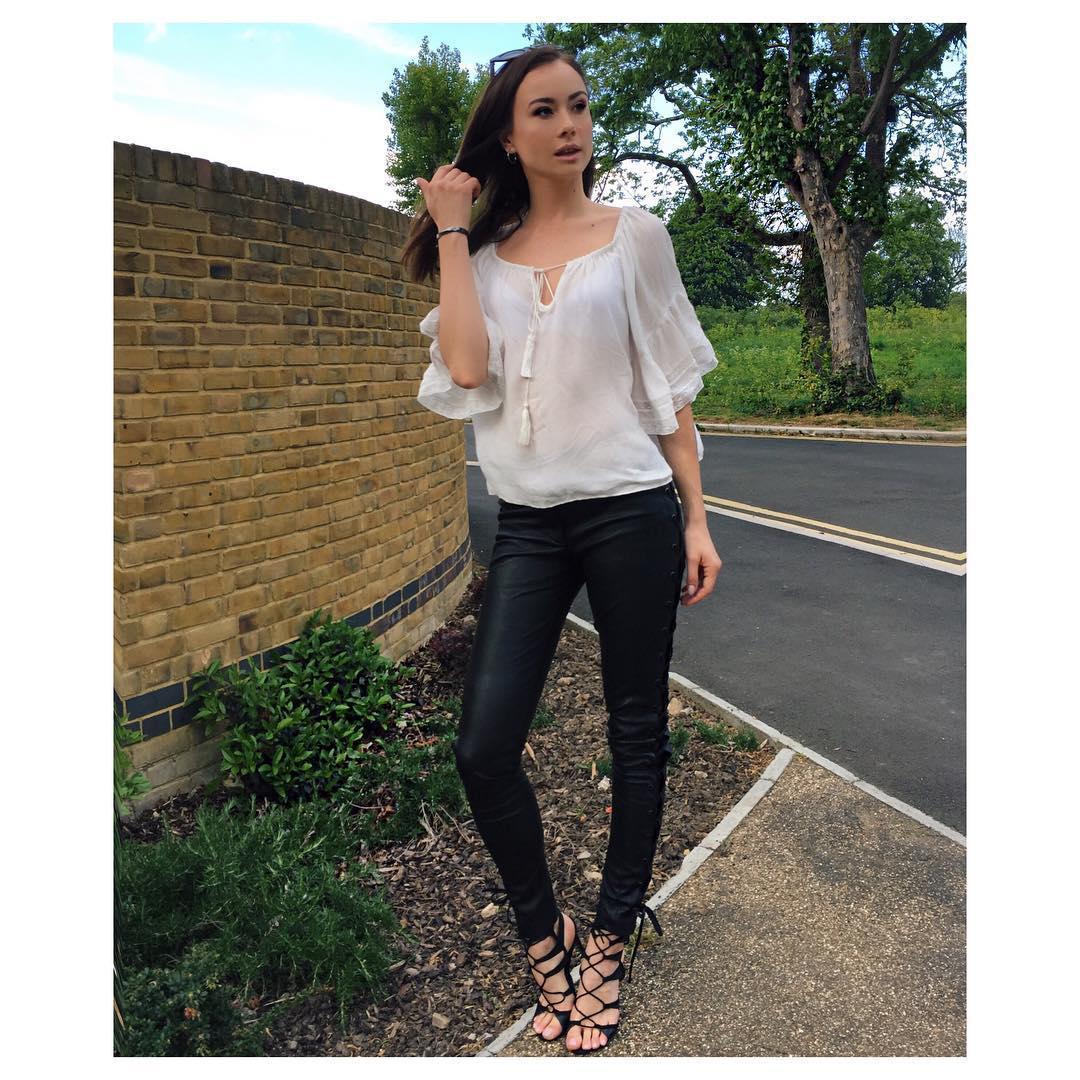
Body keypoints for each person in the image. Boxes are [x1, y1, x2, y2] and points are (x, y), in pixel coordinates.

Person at [403, 42, 723, 1055]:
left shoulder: (636, 237)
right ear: (507, 135)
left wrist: (696, 517)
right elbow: (466, 368)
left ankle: (613, 939)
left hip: (631, 510)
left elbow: (666, 390)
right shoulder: (484, 258)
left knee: (636, 733)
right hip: (532, 525)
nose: (570, 124)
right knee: (482, 747)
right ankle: (550, 940)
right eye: (543, 110)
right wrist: (453, 230)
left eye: (579, 105)